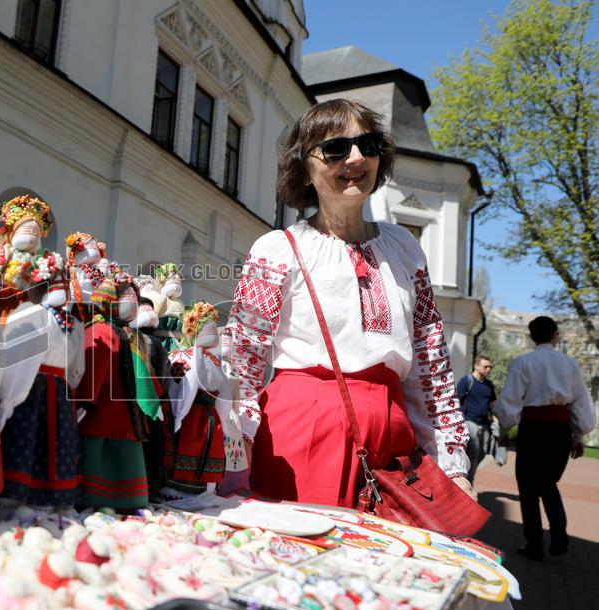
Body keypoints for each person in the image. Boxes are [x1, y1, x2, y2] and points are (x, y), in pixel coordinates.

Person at [223, 98, 474, 508]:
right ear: (306, 165)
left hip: (392, 443)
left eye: (368, 144)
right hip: (300, 435)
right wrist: (237, 443)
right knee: (304, 562)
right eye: (337, 149)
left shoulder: (405, 248)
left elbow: (432, 368)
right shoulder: (278, 249)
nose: (356, 157)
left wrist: (453, 467)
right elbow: (243, 358)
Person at [496, 316, 596, 560]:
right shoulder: (570, 364)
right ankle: (559, 534)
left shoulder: (523, 362)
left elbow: (510, 400)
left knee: (529, 488)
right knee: (548, 481)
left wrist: (506, 427)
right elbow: (580, 402)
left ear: (531, 337)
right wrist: (579, 434)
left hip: (533, 430)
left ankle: (535, 545)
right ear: (555, 336)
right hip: (560, 431)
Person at [457, 355, 497, 483]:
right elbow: (456, 400)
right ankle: (469, 480)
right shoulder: (466, 381)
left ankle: (468, 475)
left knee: (483, 453)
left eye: (490, 367)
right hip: (469, 421)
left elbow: (493, 405)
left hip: (485, 424)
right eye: (485, 366)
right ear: (476, 366)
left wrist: (497, 419)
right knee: (474, 451)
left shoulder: (489, 385)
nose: (488, 369)